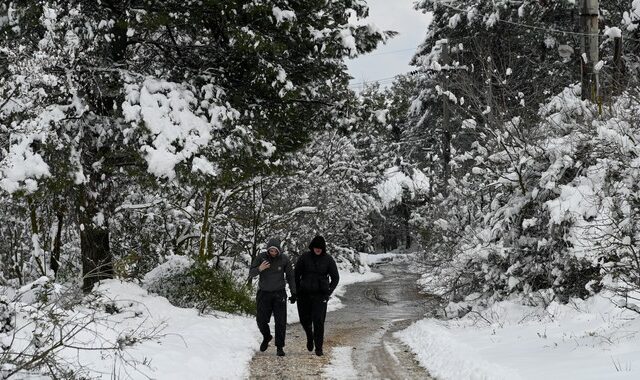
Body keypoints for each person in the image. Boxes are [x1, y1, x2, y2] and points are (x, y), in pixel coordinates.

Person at [249, 238, 297, 356]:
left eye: (275, 251)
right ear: (268, 250)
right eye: (271, 251)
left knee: (280, 321)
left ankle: (280, 347)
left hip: (279, 293)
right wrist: (260, 268)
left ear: (279, 250)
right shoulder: (261, 257)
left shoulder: (284, 259)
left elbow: (290, 276)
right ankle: (267, 336)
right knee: (261, 320)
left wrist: (294, 293)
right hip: (264, 293)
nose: (273, 253)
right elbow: (251, 273)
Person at [294, 235, 339, 356]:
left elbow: (335, 278)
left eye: (320, 248)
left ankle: (319, 347)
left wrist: (328, 292)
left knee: (318, 321)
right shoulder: (304, 257)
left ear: (323, 248)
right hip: (304, 294)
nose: (318, 249)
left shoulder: (328, 260)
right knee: (304, 320)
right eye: (316, 247)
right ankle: (310, 335)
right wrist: (296, 291)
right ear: (312, 247)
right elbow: (295, 275)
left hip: (320, 295)